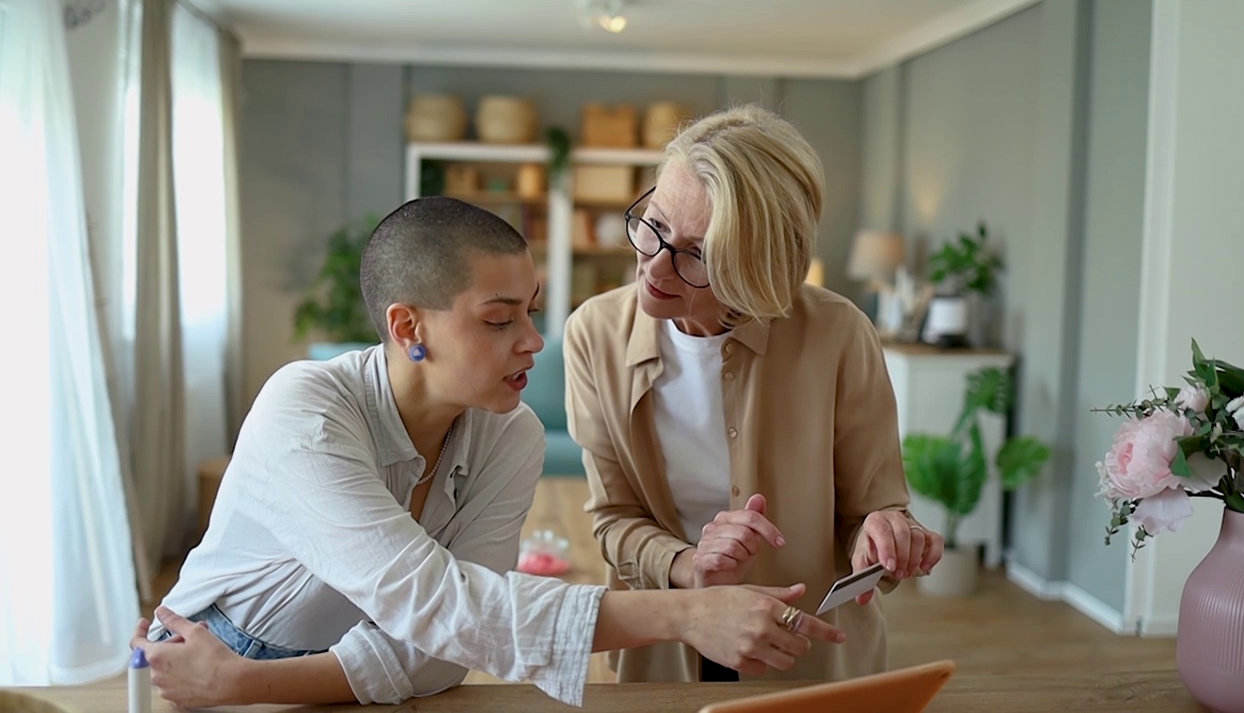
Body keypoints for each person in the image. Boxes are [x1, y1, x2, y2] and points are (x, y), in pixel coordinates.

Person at [131, 197, 844, 709]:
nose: (533, 340)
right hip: (194, 670)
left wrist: (251, 684)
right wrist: (687, 614)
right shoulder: (306, 411)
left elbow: (443, 650)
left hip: (283, 682)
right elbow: (438, 606)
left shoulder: (511, 434)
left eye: (530, 310)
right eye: (500, 319)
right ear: (409, 327)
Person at [563, 104, 945, 684]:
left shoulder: (839, 334)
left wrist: (883, 536)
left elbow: (872, 509)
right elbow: (614, 520)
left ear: (760, 269)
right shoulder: (593, 335)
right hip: (669, 651)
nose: (654, 268)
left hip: (811, 657)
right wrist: (689, 566)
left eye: (697, 255)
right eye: (655, 226)